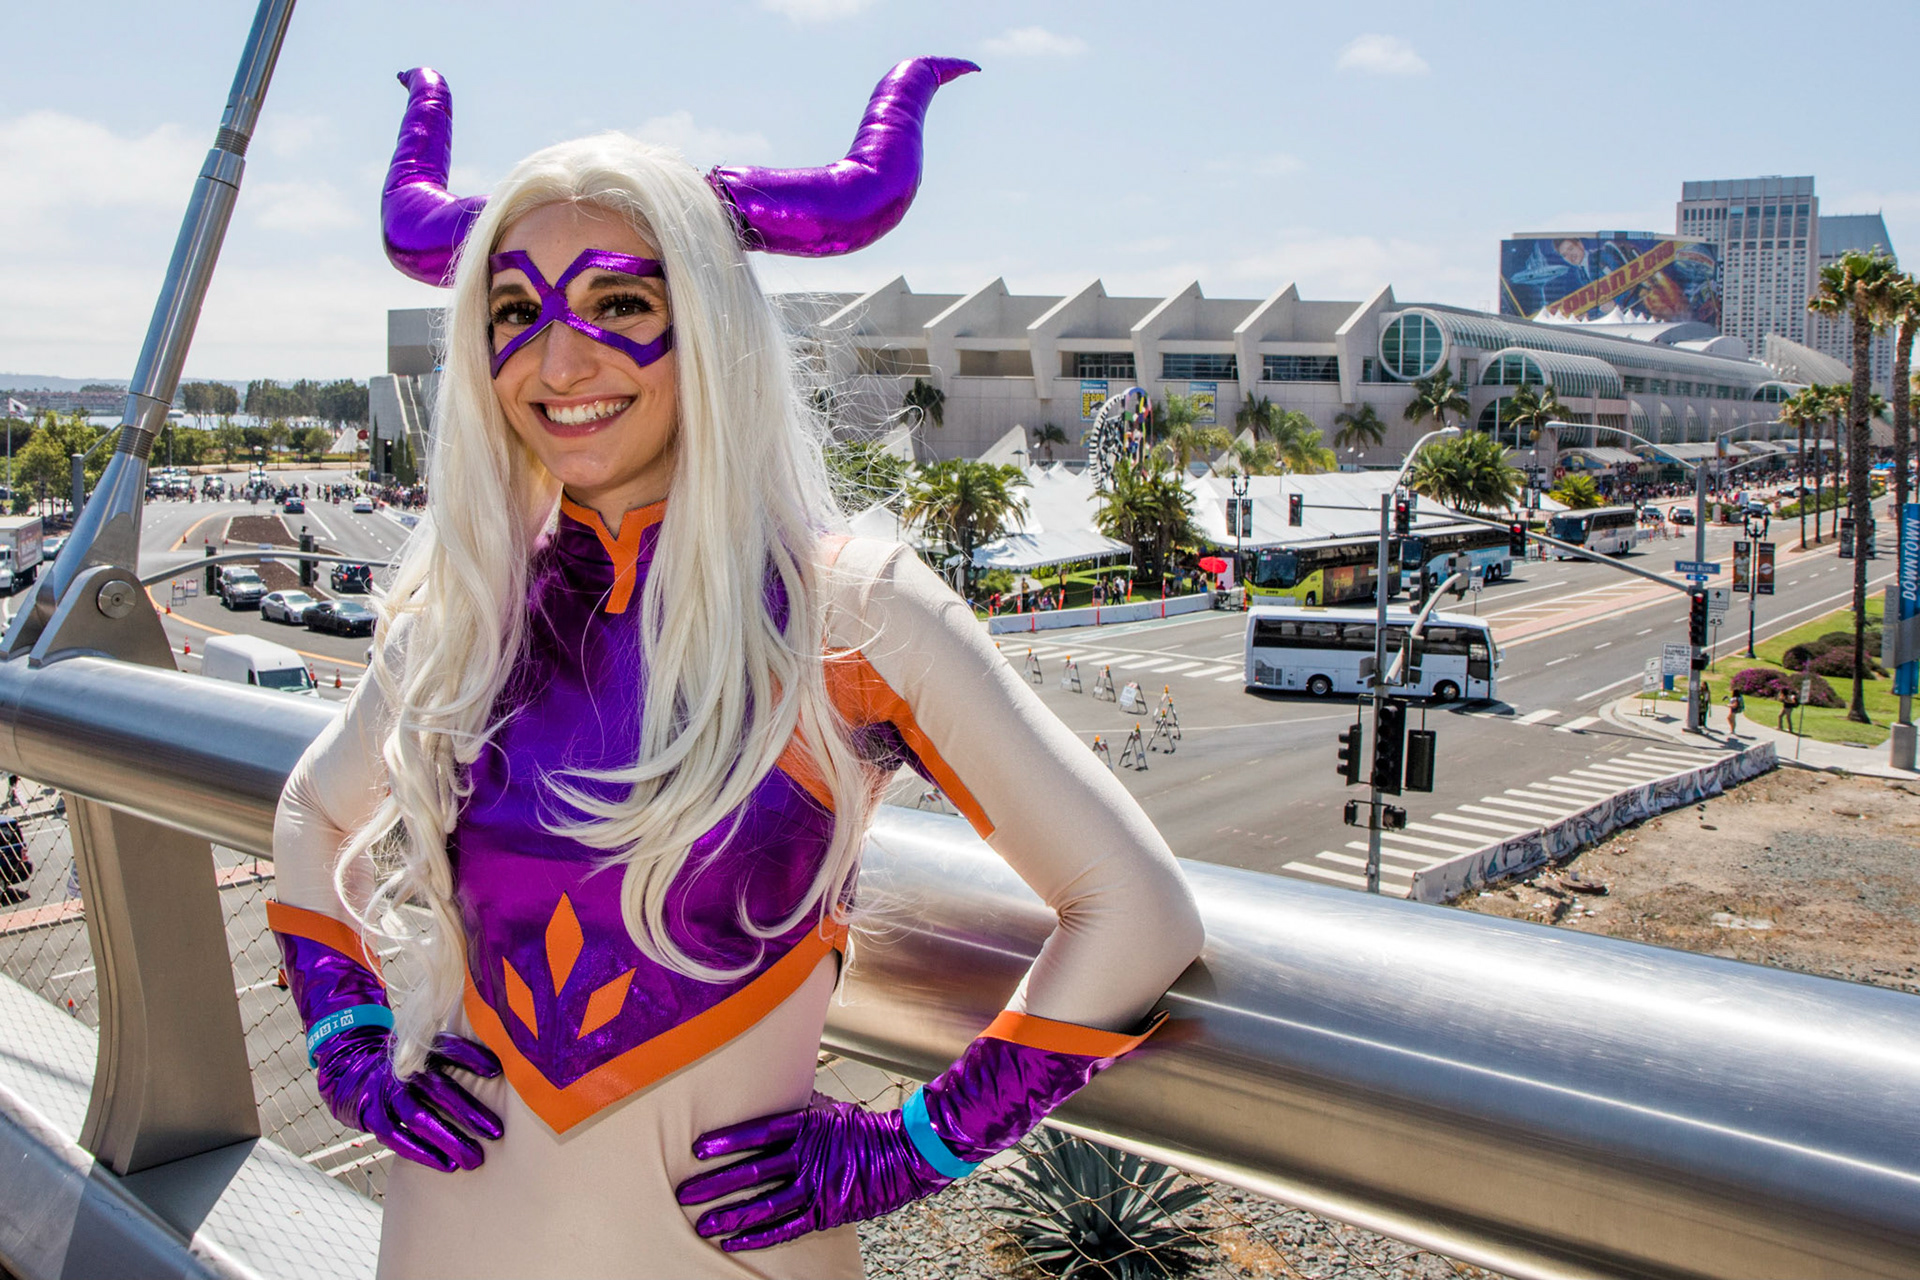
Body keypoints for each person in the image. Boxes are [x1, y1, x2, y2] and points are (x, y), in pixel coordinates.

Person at [267, 59, 1202, 1280]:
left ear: (705, 322)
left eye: (620, 304)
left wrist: (911, 1142)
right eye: (514, 313)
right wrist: (348, 1042)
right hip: (444, 1238)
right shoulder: (466, 611)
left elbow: (1138, 910)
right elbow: (309, 813)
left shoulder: (846, 607)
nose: (558, 365)